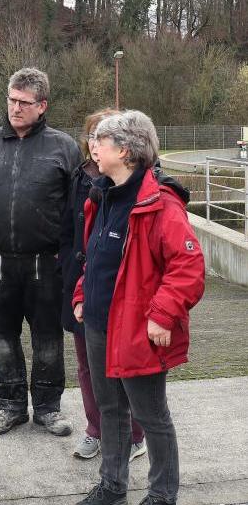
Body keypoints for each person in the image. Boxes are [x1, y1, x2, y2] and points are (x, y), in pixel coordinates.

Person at [70, 110, 205, 505]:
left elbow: (189, 267)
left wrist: (163, 314)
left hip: (138, 328)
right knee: (109, 409)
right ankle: (112, 485)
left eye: (100, 140)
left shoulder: (159, 202)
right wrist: (81, 295)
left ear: (124, 150)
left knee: (150, 414)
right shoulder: (102, 194)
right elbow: (94, 257)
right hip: (97, 322)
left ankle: (163, 496)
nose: (93, 146)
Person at [0, 67, 81, 437]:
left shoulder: (64, 147)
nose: (15, 108)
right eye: (11, 100)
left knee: (47, 338)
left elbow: (78, 207)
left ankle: (47, 408)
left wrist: (66, 255)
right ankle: (9, 406)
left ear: (42, 106)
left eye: (24, 102)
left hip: (47, 264)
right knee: (0, 336)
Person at [59, 108, 146, 462]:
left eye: (104, 138)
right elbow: (68, 229)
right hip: (83, 287)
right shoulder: (80, 179)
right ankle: (96, 430)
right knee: (86, 365)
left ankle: (134, 435)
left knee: (125, 370)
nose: (96, 145)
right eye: (93, 136)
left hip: (121, 296)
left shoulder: (141, 184)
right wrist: (70, 275)